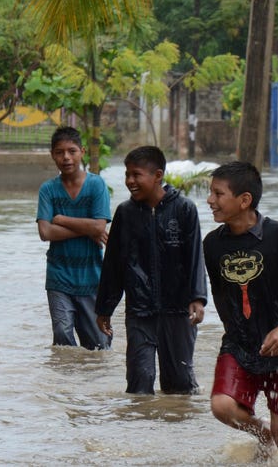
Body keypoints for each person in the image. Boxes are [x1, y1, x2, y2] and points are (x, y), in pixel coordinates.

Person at [202, 161, 278, 463]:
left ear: (244, 200)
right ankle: (261, 434)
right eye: (210, 193)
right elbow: (221, 295)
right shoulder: (212, 244)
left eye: (218, 193)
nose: (210, 200)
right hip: (239, 344)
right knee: (221, 406)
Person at [95, 145, 207, 394]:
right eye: (127, 175)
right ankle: (139, 429)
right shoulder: (125, 213)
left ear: (157, 175)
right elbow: (113, 265)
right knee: (139, 383)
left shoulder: (184, 209)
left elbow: (195, 258)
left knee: (179, 386)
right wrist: (104, 308)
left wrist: (197, 298)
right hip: (139, 311)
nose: (130, 181)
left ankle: (178, 430)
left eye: (136, 175)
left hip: (178, 312)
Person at [36, 126, 112, 350]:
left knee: (98, 345)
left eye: (71, 151)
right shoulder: (48, 190)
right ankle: (64, 382)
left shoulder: (97, 185)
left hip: (92, 276)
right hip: (59, 275)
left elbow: (100, 225)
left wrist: (61, 219)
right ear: (52, 155)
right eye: (59, 152)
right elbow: (45, 233)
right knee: (62, 337)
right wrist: (88, 228)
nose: (66, 157)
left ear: (82, 151)